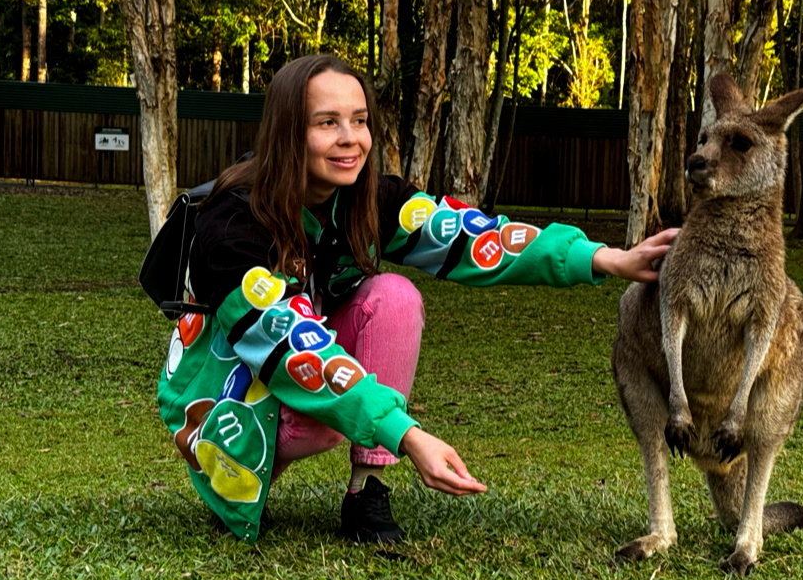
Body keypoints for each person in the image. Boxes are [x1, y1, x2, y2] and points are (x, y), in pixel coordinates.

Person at [155, 54, 676, 545]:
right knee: (306, 396)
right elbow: (293, 350)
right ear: (288, 133)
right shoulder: (231, 225)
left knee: (394, 297)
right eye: (326, 123)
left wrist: (606, 258)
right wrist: (408, 434)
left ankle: (368, 492)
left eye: (359, 121)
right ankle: (241, 468)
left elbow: (471, 235)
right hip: (229, 390)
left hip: (301, 365)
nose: (350, 140)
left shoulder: (364, 198)